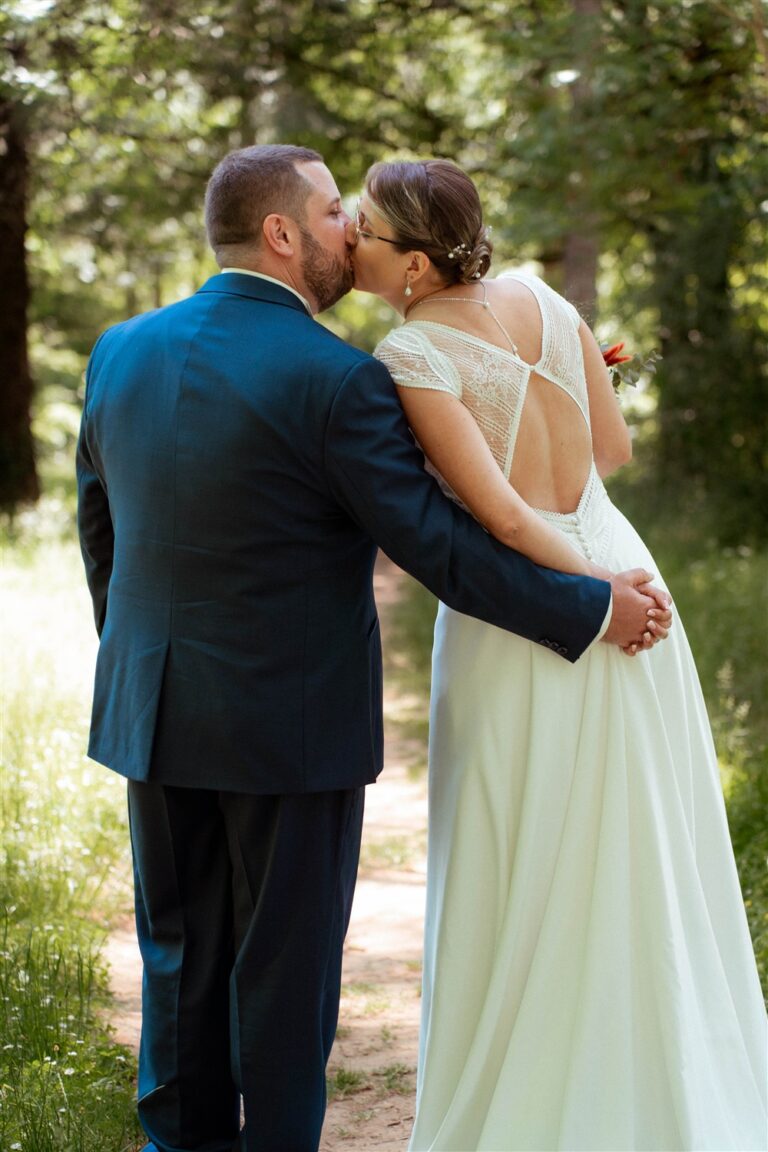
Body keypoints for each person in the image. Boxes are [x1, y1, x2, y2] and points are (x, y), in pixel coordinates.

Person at [76, 144, 669, 1152]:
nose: (349, 232)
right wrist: (586, 609)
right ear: (280, 234)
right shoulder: (342, 381)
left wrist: (142, 662)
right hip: (292, 734)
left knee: (178, 960)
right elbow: (437, 549)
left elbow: (103, 533)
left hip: (155, 709)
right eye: (331, 214)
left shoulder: (122, 350)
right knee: (285, 977)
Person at [352, 158, 768, 1151]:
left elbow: (498, 511)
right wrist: (606, 570)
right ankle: (654, 1076)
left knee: (523, 834)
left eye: (363, 230)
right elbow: (611, 452)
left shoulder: (410, 354)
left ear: (412, 263)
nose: (348, 243)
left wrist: (584, 595)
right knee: (637, 830)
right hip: (628, 564)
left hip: (539, 610)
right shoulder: (543, 296)